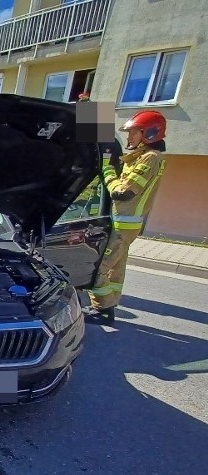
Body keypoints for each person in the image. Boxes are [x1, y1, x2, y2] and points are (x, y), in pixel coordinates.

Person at [83, 110, 168, 325]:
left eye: (133, 133)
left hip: (123, 225)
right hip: (125, 225)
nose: (129, 138)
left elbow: (122, 193)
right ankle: (109, 307)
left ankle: (102, 310)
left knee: (99, 267)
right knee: (115, 269)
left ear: (148, 134)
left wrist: (108, 171)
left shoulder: (150, 158)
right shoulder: (145, 157)